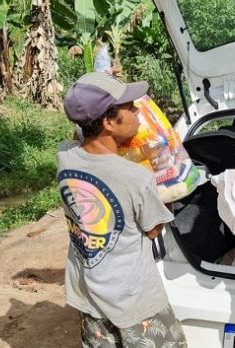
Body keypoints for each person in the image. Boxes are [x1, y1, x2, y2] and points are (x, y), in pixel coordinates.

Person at [57, 72, 188, 348]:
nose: (138, 111)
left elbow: (78, 137)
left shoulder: (65, 156)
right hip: (135, 302)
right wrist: (168, 190)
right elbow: (153, 228)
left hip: (89, 296)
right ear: (108, 122)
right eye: (130, 107)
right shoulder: (135, 177)